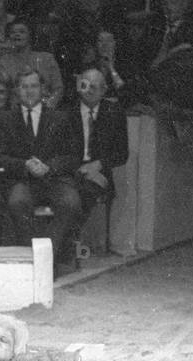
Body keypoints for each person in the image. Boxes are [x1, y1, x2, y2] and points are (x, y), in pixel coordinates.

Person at [0, 68, 78, 257]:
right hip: (22, 180)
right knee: (17, 203)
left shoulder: (60, 118)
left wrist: (49, 167)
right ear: (17, 90)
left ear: (42, 89)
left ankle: (46, 256)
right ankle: (33, 257)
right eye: (24, 87)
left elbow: (72, 157)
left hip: (54, 179)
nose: (29, 91)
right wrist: (25, 165)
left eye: (34, 86)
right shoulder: (5, 120)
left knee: (71, 203)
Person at [55, 67, 127, 267]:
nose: (89, 90)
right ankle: (66, 252)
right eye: (85, 85)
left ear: (104, 90)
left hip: (98, 173)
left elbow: (122, 154)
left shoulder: (114, 112)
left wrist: (98, 164)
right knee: (70, 197)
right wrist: (80, 169)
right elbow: (58, 151)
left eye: (95, 87)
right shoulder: (65, 111)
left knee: (84, 194)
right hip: (70, 171)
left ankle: (64, 251)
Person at [0, 18, 64, 107]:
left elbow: (58, 88)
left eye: (22, 32)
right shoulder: (2, 62)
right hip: (14, 111)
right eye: (13, 32)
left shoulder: (47, 59)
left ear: (30, 36)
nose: (17, 34)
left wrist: (48, 105)